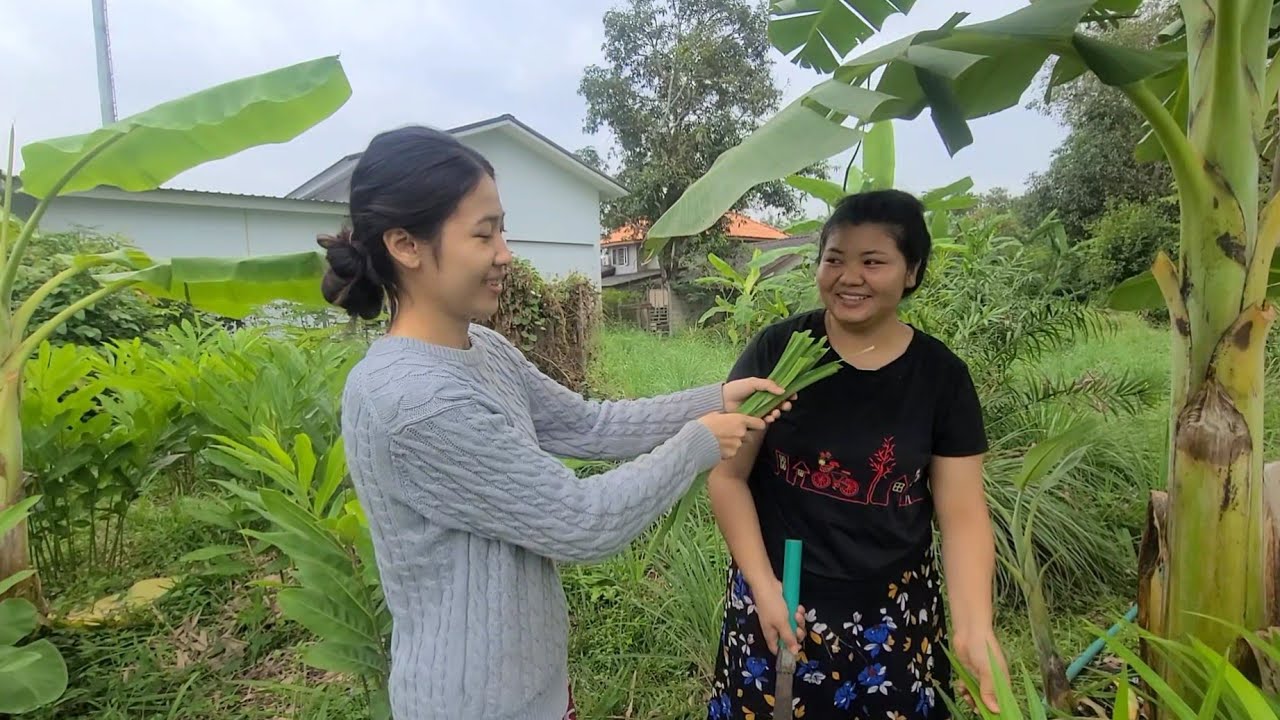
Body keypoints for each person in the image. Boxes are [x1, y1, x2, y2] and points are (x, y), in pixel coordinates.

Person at [320, 125, 792, 720]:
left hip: (530, 687)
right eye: (483, 234)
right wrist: (699, 442)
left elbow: (588, 425)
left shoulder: (482, 349)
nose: (504, 254)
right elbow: (580, 522)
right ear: (406, 245)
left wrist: (716, 399)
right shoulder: (415, 404)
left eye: (502, 230)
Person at [704, 189, 1008, 720]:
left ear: (911, 271)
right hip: (780, 598)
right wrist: (762, 586)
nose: (850, 277)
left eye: (873, 262)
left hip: (892, 614)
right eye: (834, 259)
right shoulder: (781, 352)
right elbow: (727, 478)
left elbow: (962, 518)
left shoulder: (941, 379)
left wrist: (975, 627)